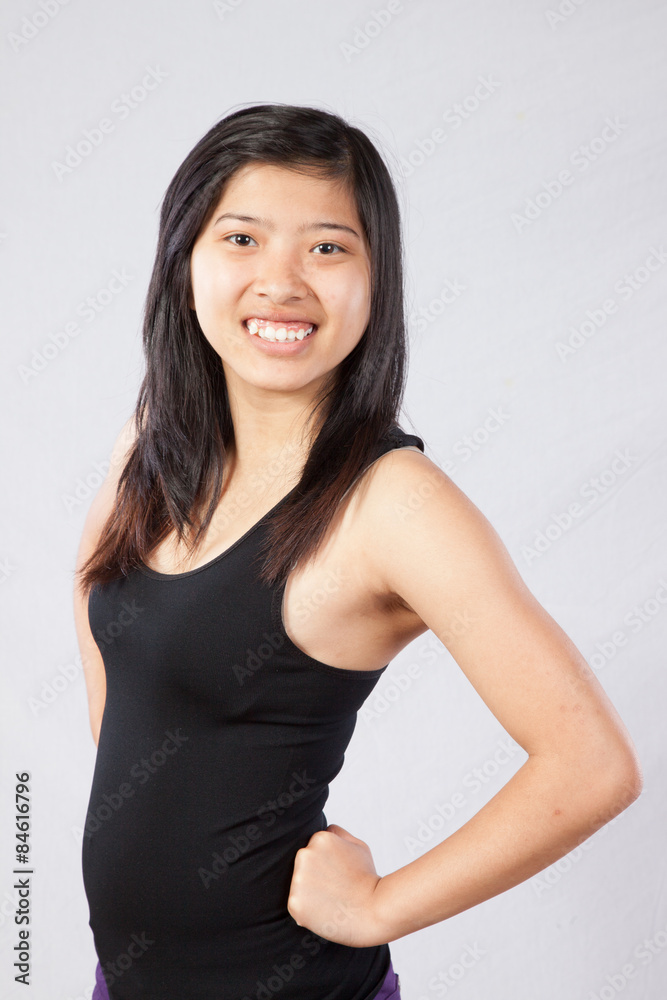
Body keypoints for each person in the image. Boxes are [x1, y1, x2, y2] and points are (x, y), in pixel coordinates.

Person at [72, 103, 642, 1000]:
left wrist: (379, 906)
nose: (281, 281)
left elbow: (593, 765)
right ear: (185, 262)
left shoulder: (392, 504)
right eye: (242, 238)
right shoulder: (152, 446)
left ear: (377, 280)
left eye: (328, 248)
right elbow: (106, 620)